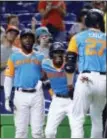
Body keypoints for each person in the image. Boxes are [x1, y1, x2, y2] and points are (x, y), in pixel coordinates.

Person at [65, 9, 106, 138]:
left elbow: (70, 65)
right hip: (104, 80)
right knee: (97, 117)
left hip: (85, 78)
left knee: (78, 118)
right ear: (99, 23)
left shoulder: (77, 37)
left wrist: (70, 85)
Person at [4, 28, 45, 138]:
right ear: (20, 40)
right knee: (21, 132)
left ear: (34, 40)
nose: (27, 40)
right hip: (20, 95)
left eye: (30, 37)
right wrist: (7, 97)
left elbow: (48, 75)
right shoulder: (14, 56)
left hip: (37, 95)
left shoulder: (41, 56)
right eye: (25, 37)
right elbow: (8, 78)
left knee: (38, 132)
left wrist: (44, 80)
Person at [42, 42, 74, 138]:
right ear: (51, 54)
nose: (58, 55)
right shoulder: (45, 64)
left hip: (73, 100)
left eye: (60, 52)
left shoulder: (71, 64)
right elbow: (41, 76)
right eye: (56, 52)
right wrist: (50, 91)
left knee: (76, 129)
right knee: (49, 132)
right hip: (57, 100)